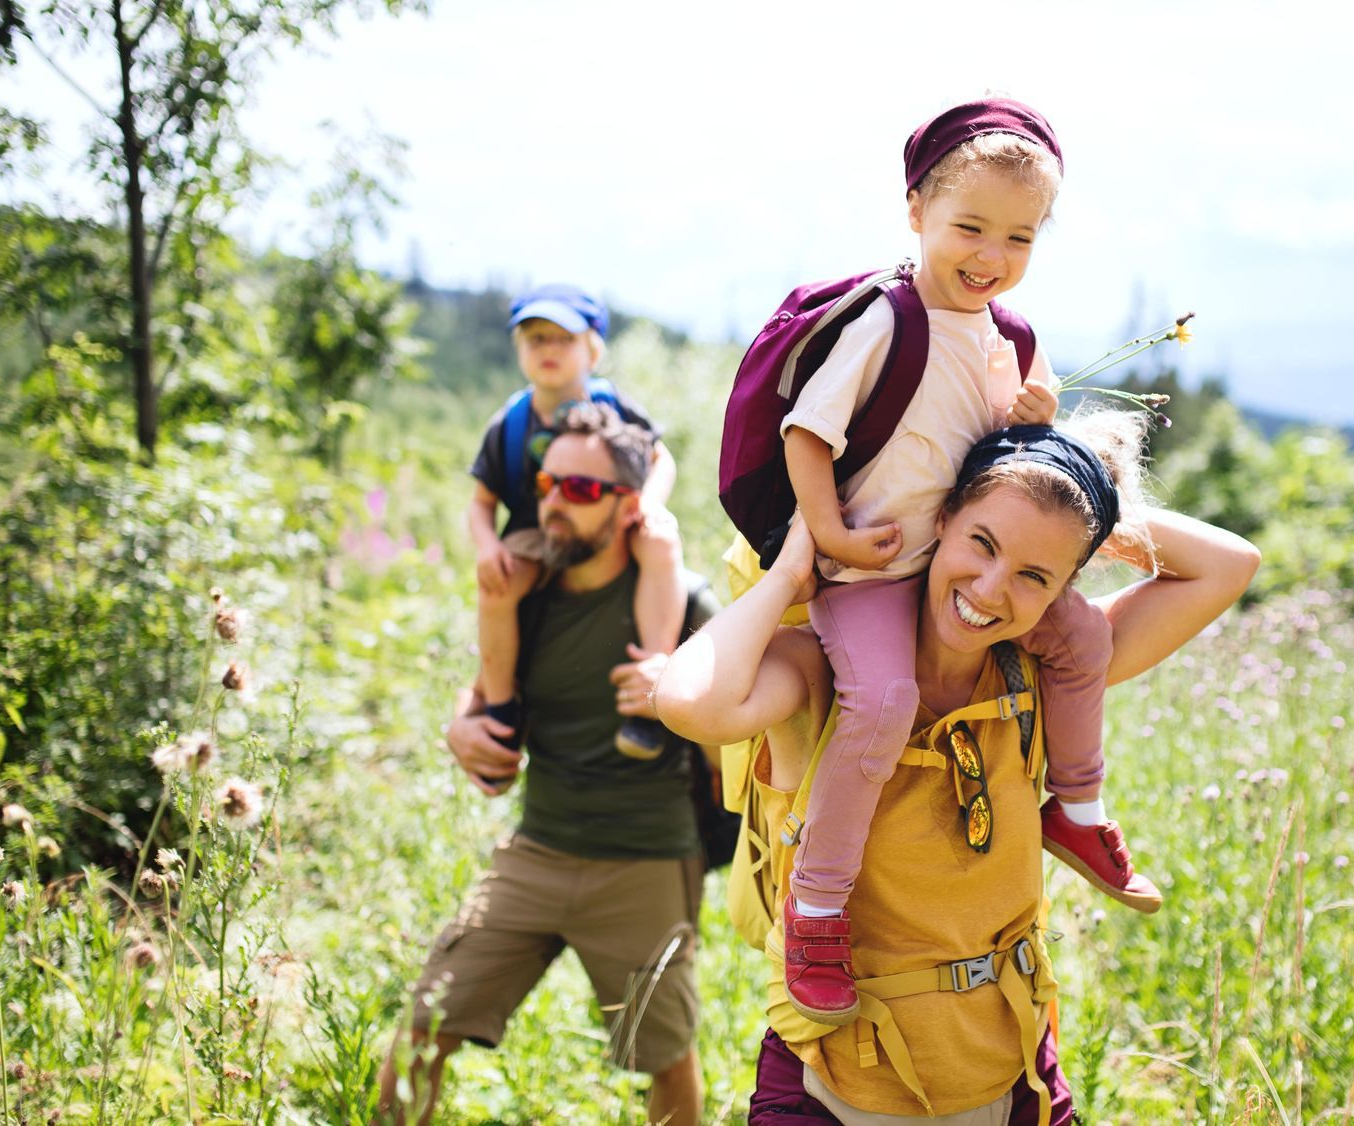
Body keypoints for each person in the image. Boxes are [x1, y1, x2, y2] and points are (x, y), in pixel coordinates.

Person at [656, 416, 1260, 1122]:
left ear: (1063, 588)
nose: (992, 589)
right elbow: (690, 702)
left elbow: (1231, 564)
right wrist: (793, 571)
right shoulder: (822, 670)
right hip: (832, 1083)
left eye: (1035, 575)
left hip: (1012, 1079)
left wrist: (1077, 493)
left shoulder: (1044, 675)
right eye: (983, 542)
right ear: (938, 518)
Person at [769, 96, 1154, 1025]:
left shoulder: (1007, 336)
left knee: (1080, 642)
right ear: (916, 213)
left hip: (956, 562)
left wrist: (1031, 412)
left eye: (1018, 239)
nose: (991, 256)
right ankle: (817, 907)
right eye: (969, 228)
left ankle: (1079, 806)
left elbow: (1019, 436)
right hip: (872, 569)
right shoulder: (884, 322)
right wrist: (828, 536)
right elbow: (806, 433)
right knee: (884, 701)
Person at [379, 404, 715, 1126]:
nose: (555, 502)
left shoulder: (683, 604)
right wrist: (458, 731)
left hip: (646, 861)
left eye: (582, 490)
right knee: (423, 1028)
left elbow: (740, 731)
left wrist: (679, 702)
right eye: (547, 483)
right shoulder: (528, 594)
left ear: (630, 507)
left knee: (662, 1055)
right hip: (537, 851)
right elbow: (481, 697)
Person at [469, 284, 686, 763]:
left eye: (562, 339)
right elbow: (481, 502)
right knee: (497, 588)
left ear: (592, 349)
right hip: (534, 530)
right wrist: (487, 547)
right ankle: (502, 707)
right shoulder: (509, 423)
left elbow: (660, 458)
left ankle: (650, 682)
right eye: (535, 339)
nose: (548, 350)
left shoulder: (616, 406)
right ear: (518, 349)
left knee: (661, 542)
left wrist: (648, 504)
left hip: (611, 519)